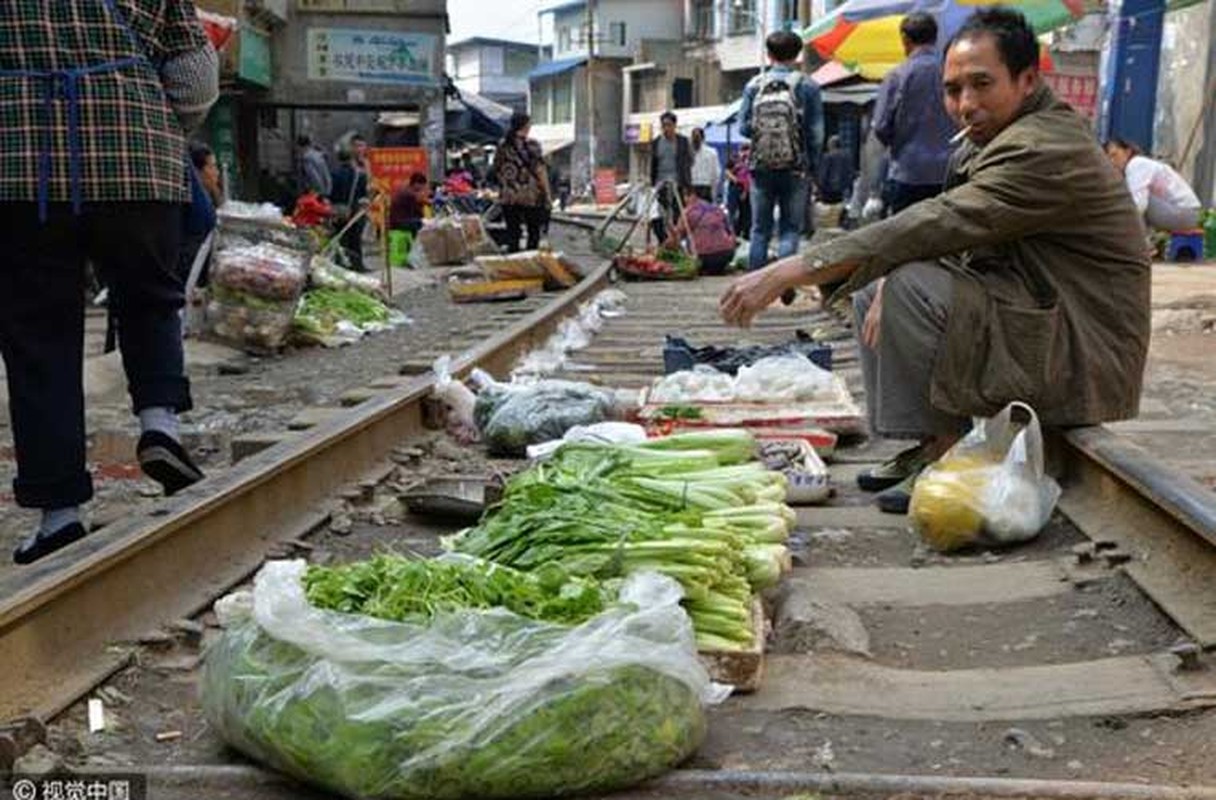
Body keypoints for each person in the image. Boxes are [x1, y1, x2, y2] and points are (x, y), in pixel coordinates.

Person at [719, 8, 1150, 516]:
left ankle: (949, 459)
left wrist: (791, 269)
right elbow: (962, 235)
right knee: (877, 283)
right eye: (953, 89)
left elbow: (940, 221)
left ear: (1028, 79)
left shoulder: (1042, 149)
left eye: (981, 84)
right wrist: (882, 274)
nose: (965, 104)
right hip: (1040, 314)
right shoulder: (995, 135)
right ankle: (926, 444)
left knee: (906, 285)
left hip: (1080, 348)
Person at [0, 0, 218, 564]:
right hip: (136, 156)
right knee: (149, 298)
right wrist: (149, 119)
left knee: (38, 341)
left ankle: (60, 514)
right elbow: (196, 77)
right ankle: (159, 426)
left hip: (24, 168)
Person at [739, 30, 825, 272]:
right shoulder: (808, 86)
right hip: (796, 168)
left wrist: (765, 135)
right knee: (790, 229)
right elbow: (816, 134)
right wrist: (813, 167)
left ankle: (754, 285)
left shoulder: (754, 85)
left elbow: (743, 127)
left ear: (768, 54)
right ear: (798, 55)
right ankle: (784, 284)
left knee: (759, 230)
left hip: (761, 166)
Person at [873, 13, 957, 215]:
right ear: (935, 38)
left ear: (904, 38)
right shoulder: (951, 72)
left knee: (907, 241)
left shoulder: (897, 75)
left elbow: (881, 126)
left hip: (908, 171)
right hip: (950, 171)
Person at [1105, 138, 1203, 233]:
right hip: (1186, 215)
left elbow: (1139, 206)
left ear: (1127, 152)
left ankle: (1139, 244)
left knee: (1135, 202)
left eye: (1115, 155)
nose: (1112, 161)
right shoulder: (1133, 169)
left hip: (1187, 215)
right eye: (1108, 158)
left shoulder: (1136, 164)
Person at [493, 112, 550, 252]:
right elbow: (540, 171)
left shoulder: (503, 145)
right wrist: (547, 194)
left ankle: (514, 262)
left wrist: (506, 185)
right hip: (530, 196)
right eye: (529, 123)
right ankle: (529, 262)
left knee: (513, 232)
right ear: (525, 125)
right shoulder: (532, 145)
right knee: (533, 232)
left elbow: (496, 168)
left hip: (509, 196)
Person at [664, 185, 738, 275]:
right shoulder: (717, 209)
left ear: (692, 195)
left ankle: (705, 267)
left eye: (685, 196)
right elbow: (731, 232)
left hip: (704, 258)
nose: (684, 200)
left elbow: (675, 239)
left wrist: (664, 247)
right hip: (727, 254)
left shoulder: (689, 212)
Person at [648, 111, 693, 242]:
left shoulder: (683, 142)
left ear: (674, 125)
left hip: (678, 184)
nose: (666, 128)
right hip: (660, 183)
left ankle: (678, 242)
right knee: (660, 215)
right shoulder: (656, 142)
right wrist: (652, 183)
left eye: (668, 125)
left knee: (678, 215)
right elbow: (653, 164)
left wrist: (687, 185)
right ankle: (664, 241)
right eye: (663, 125)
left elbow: (689, 162)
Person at [330, 148, 370, 271]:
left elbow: (330, 193)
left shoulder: (333, 174)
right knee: (355, 239)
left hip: (337, 210)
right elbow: (364, 195)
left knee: (340, 238)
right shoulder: (360, 175)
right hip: (355, 210)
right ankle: (358, 265)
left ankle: (341, 265)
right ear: (352, 158)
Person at [816, 135, 857, 205]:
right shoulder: (847, 156)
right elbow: (851, 173)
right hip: (844, 191)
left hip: (829, 192)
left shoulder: (827, 157)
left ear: (831, 145)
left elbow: (823, 176)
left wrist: (819, 189)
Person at [389, 173, 430, 237]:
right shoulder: (409, 194)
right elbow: (418, 213)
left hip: (398, 222)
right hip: (401, 224)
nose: (422, 190)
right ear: (416, 184)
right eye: (422, 186)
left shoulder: (406, 190)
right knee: (424, 223)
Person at [725, 146, 753, 238]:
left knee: (746, 213)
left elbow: (751, 176)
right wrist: (735, 180)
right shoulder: (734, 158)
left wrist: (746, 190)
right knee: (732, 211)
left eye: (747, 151)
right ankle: (731, 232)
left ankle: (745, 233)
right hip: (735, 187)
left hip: (747, 188)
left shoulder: (751, 160)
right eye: (743, 151)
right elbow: (727, 171)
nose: (745, 153)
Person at [690, 128, 722, 203]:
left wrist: (713, 189)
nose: (695, 139)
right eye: (694, 137)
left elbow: (716, 172)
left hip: (705, 187)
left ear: (703, 138)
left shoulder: (711, 152)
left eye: (697, 137)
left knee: (705, 213)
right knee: (691, 213)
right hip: (691, 187)